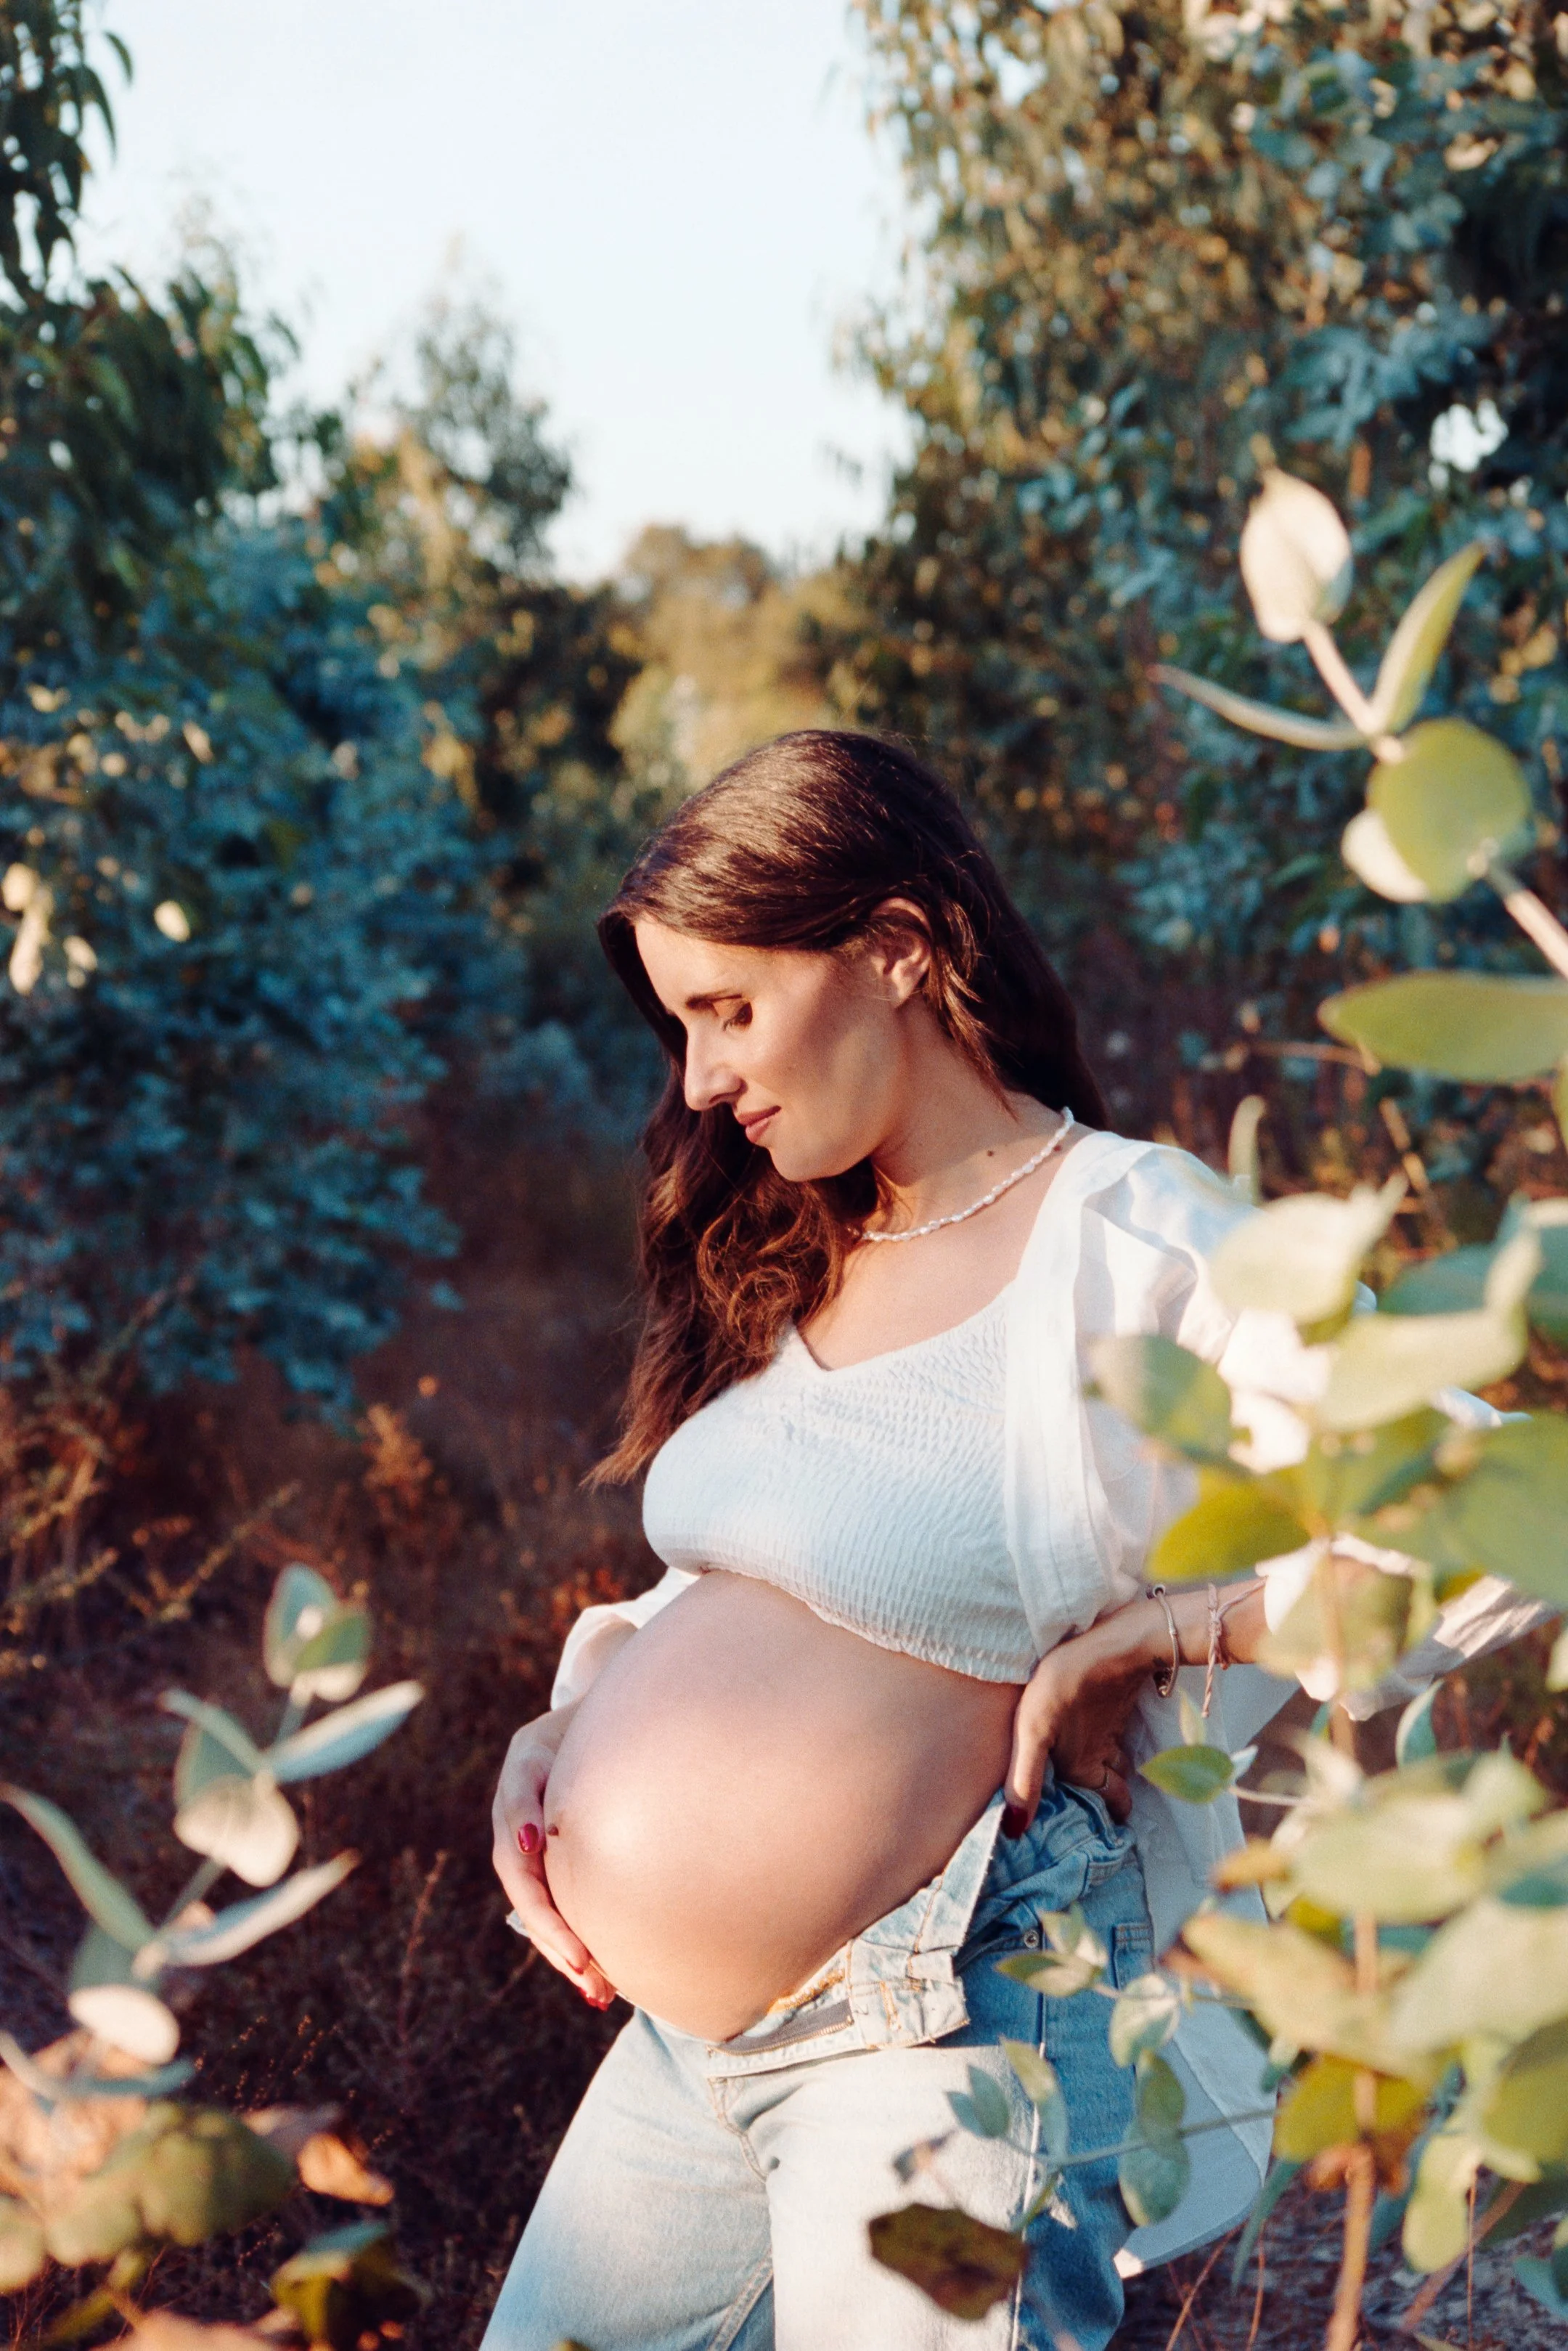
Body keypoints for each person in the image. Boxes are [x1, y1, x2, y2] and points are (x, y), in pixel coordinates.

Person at [482, 730, 1535, 2351]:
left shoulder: (1137, 1233)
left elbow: (1489, 1514)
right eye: (680, 1023)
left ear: (898, 945)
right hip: (692, 2053)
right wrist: (572, 1717)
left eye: (729, 1009)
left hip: (934, 2042)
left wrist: (1164, 1637)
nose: (697, 1079)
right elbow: (746, 1580)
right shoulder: (806, 1242)